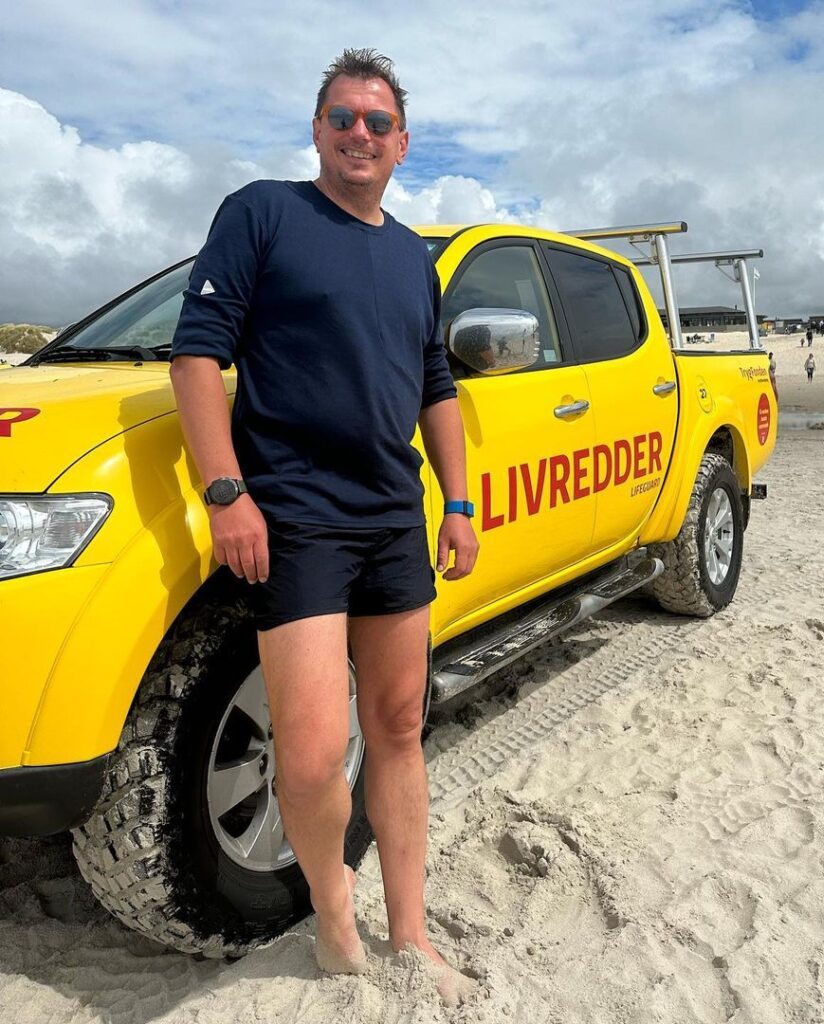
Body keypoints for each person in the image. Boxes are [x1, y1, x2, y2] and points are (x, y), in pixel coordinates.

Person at [169, 49, 478, 1004]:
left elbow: (437, 386)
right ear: (317, 129)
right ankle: (336, 924)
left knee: (396, 726)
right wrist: (229, 493)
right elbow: (196, 358)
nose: (359, 135)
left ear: (402, 143)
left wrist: (458, 502)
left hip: (394, 513)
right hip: (295, 516)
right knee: (305, 755)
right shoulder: (263, 213)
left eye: (377, 123)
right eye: (342, 118)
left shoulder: (414, 255)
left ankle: (412, 932)